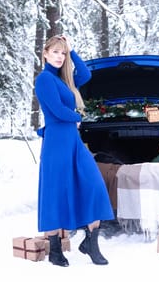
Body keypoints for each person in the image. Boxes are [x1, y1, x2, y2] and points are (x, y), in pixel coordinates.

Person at [35, 35, 114, 267]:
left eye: (63, 53)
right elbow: (58, 111)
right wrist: (77, 117)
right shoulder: (44, 79)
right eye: (56, 52)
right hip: (57, 145)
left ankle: (90, 243)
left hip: (73, 141)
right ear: (46, 53)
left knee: (94, 185)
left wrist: (72, 50)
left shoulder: (64, 80)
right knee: (55, 194)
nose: (60, 57)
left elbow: (86, 74)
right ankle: (55, 251)